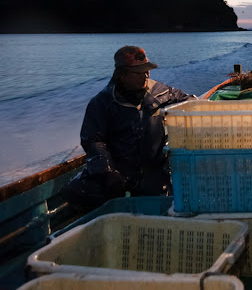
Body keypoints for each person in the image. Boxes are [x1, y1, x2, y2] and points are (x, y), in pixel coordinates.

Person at [61, 45, 194, 211]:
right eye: (138, 72)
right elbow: (93, 140)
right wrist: (107, 171)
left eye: (147, 70)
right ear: (121, 75)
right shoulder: (102, 103)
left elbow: (192, 103)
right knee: (72, 191)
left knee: (164, 201)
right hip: (120, 171)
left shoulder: (162, 92)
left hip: (155, 170)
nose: (145, 75)